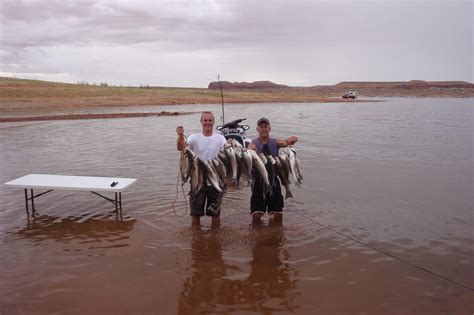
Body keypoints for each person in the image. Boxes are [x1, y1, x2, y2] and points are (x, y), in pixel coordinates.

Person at [176, 111, 227, 225]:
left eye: (210, 120)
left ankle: (214, 241)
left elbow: (228, 153)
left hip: (215, 181)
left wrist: (231, 144)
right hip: (197, 178)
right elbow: (181, 148)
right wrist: (180, 136)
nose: (207, 123)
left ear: (213, 122)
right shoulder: (194, 137)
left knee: (215, 215)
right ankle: (196, 239)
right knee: (195, 215)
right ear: (201, 122)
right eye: (205, 120)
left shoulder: (220, 138)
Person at [248, 117, 299, 224]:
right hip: (258, 180)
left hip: (274, 180)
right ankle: (257, 233)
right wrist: (251, 150)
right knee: (256, 213)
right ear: (257, 129)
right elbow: (249, 148)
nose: (263, 129)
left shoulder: (275, 142)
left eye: (265, 126)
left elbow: (285, 142)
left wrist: (291, 140)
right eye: (261, 127)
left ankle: (276, 235)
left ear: (269, 128)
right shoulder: (253, 143)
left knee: (277, 212)